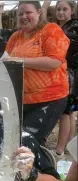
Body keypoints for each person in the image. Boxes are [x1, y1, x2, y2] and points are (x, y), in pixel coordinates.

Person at [3, 1, 70, 145]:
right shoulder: (15, 37)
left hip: (49, 98)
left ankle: (43, 165)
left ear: (39, 12)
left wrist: (18, 60)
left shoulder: (51, 30)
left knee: (28, 142)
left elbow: (54, 62)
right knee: (17, 141)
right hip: (22, 99)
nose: (24, 16)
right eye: (20, 14)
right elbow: (5, 60)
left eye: (28, 12)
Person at [50, 0, 78, 159]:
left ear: (71, 11)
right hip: (67, 74)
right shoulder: (61, 27)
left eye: (64, 9)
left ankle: (59, 150)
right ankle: (69, 145)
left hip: (70, 75)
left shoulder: (72, 28)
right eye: (59, 9)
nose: (61, 12)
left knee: (64, 112)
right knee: (70, 112)